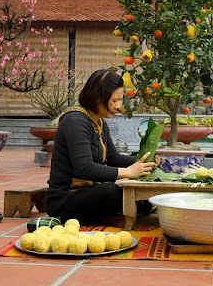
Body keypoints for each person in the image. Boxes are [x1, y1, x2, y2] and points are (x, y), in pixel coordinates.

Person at [46, 69, 159, 224]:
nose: (118, 106)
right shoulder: (75, 122)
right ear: (96, 98)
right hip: (66, 199)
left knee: (138, 190)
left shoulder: (100, 122)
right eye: (113, 101)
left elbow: (113, 158)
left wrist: (142, 163)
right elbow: (84, 168)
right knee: (112, 192)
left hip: (88, 193)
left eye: (119, 100)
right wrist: (127, 172)